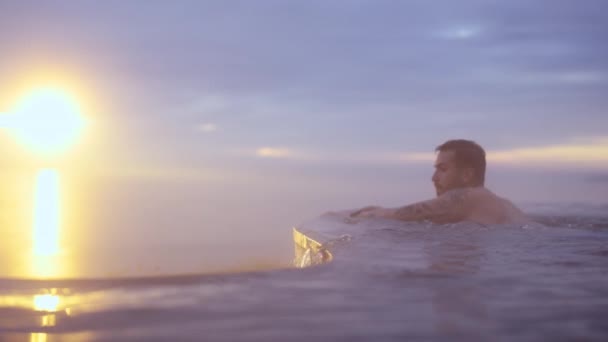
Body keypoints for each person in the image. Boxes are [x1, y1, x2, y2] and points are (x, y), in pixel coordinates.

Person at [350, 139, 528, 225]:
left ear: (467, 175)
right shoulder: (505, 205)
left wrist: (349, 216)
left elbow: (401, 215)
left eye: (442, 170)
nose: (434, 178)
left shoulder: (470, 197)